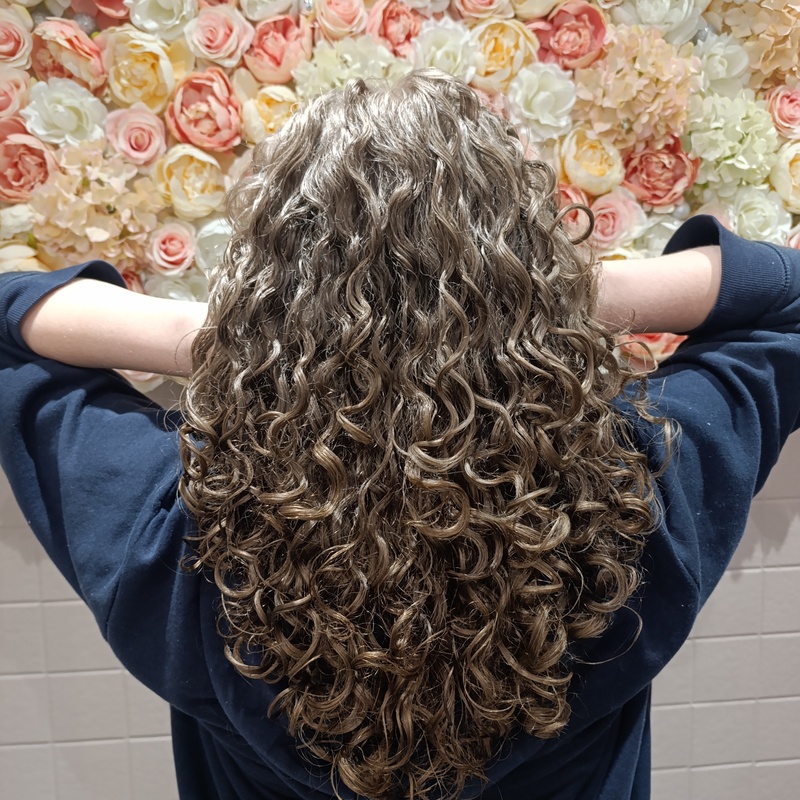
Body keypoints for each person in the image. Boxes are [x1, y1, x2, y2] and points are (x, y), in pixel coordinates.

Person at [0, 69, 798, 800]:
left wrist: (255, 333)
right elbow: (787, 299)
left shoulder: (175, 534)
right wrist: (526, 306)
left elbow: (10, 326)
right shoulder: (639, 496)